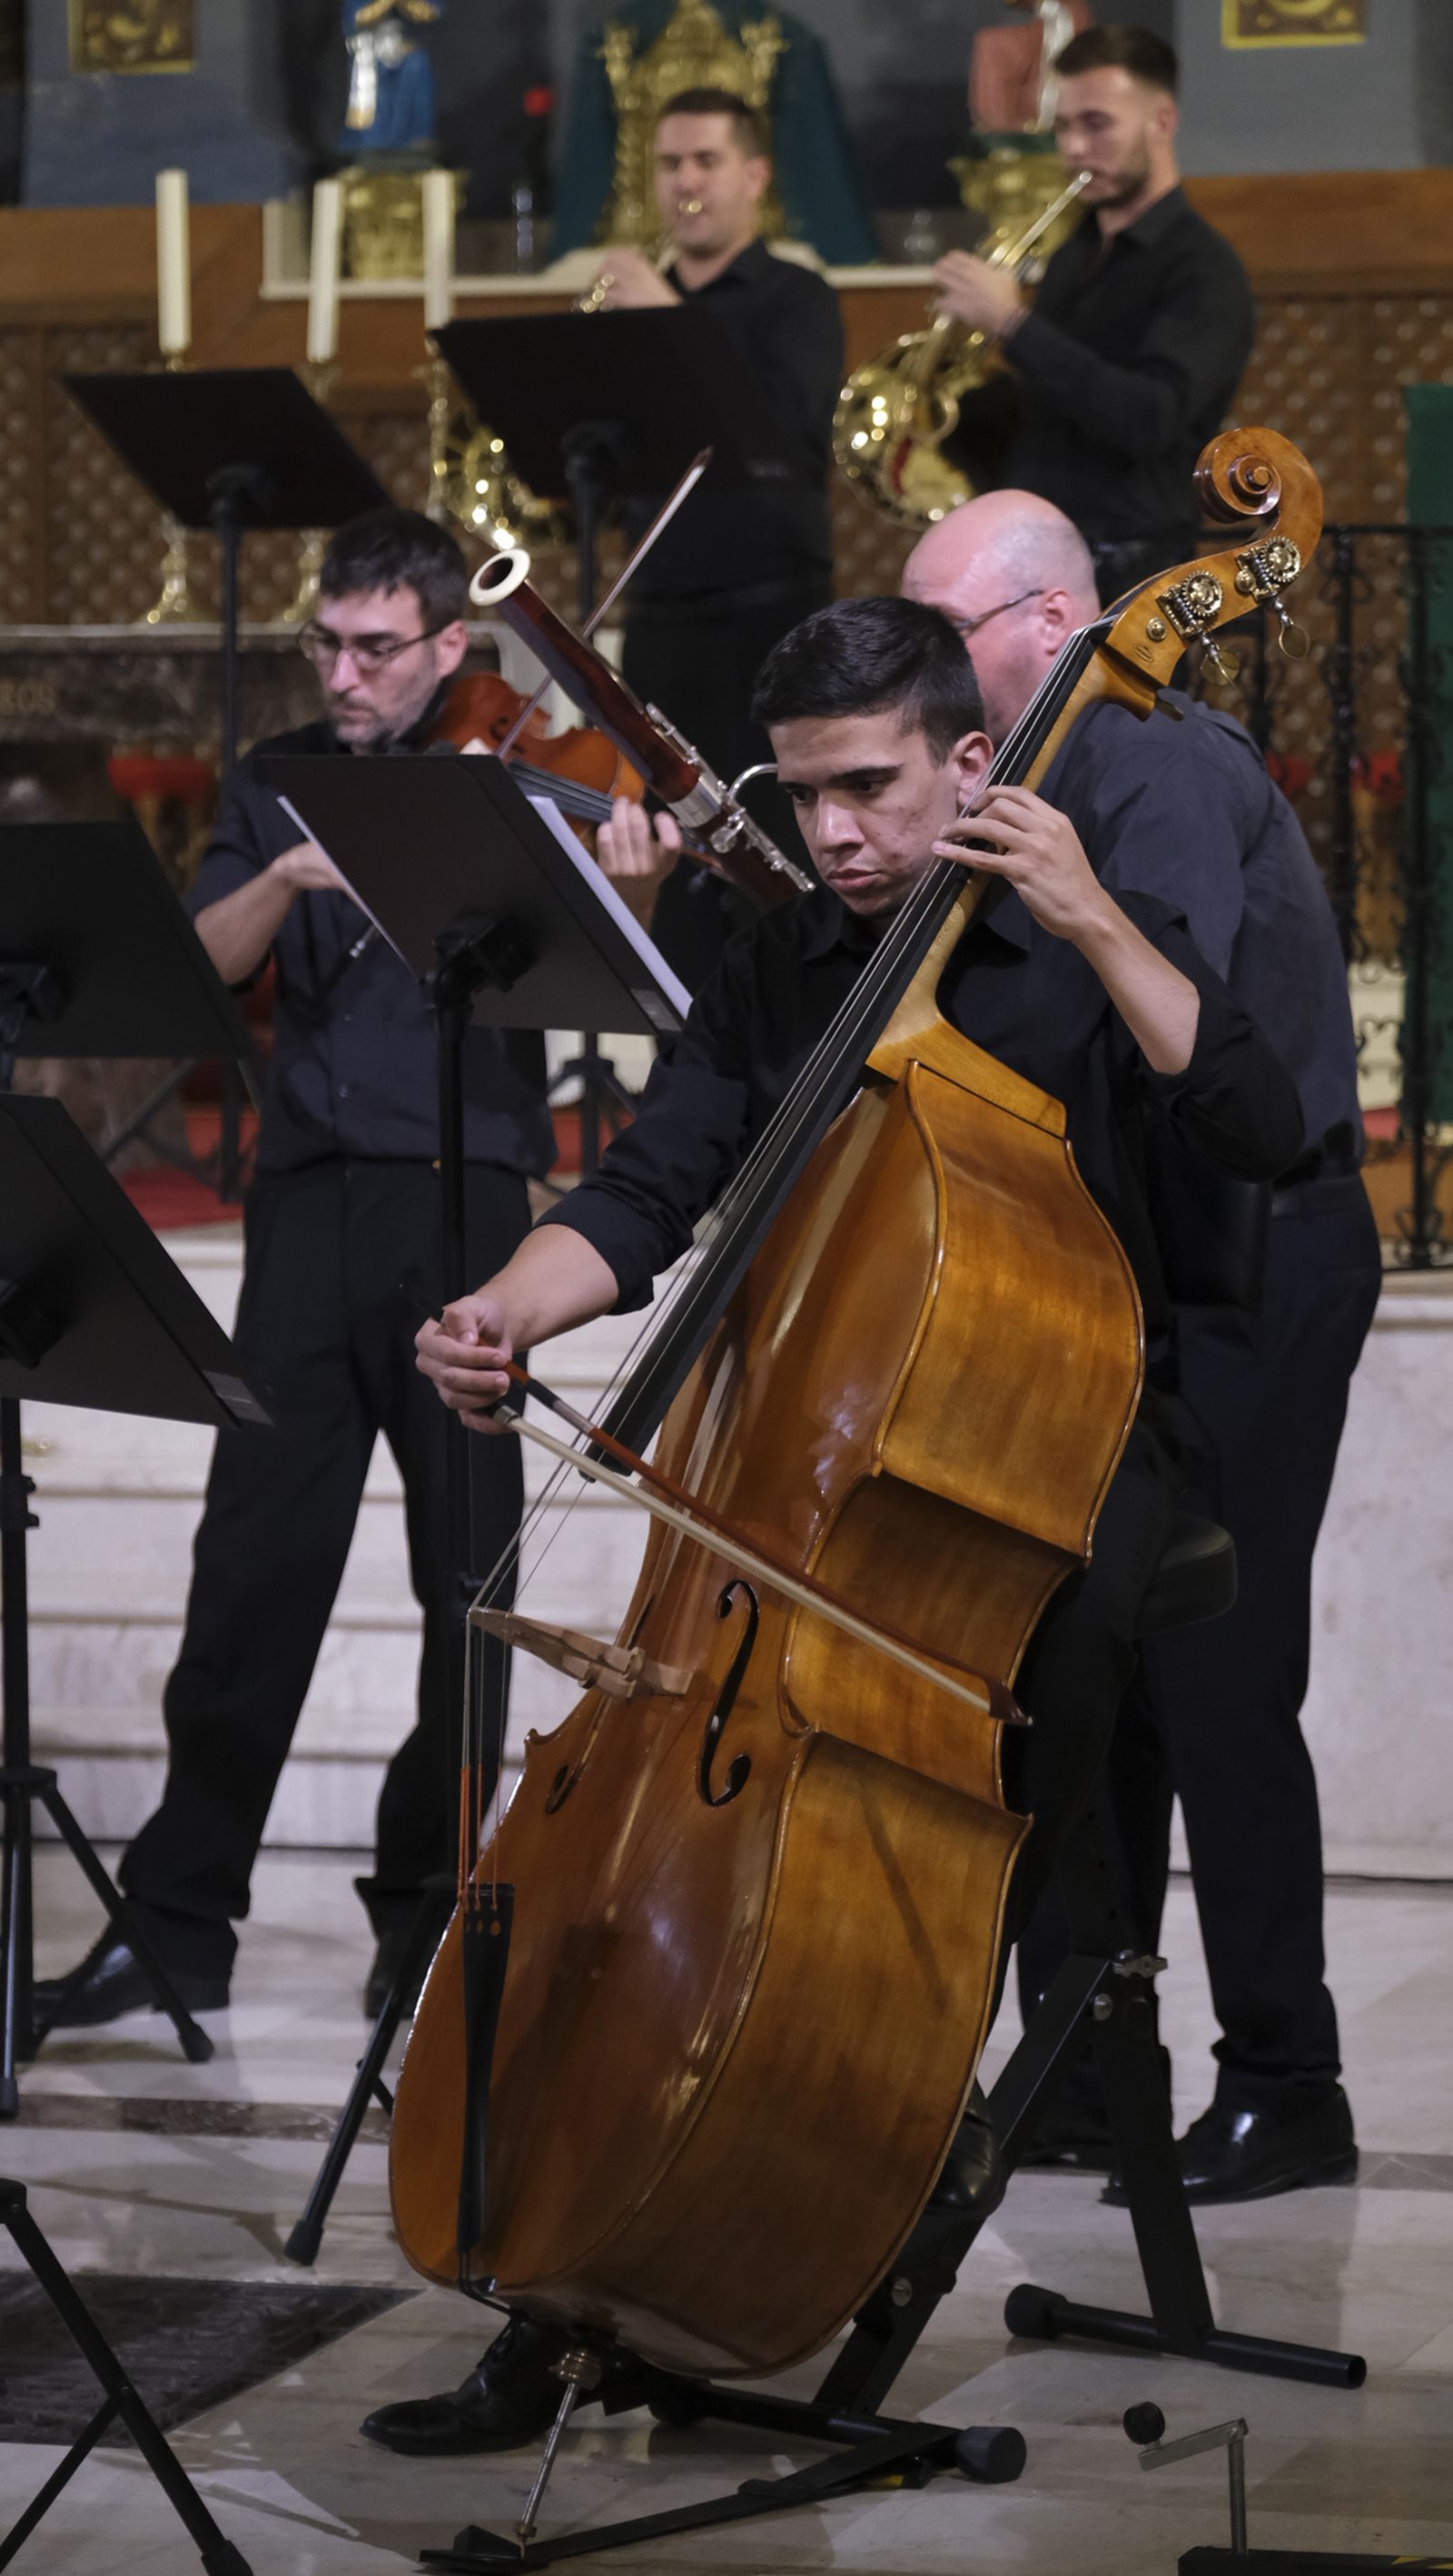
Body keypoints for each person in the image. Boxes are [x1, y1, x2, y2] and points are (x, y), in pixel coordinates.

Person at [358, 593, 1301, 2456]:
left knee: (969, 1790)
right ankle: (561, 2292)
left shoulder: (1070, 914)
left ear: (969, 755)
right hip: (830, 1462)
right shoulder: (786, 947)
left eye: (870, 787)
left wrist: (1092, 912)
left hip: (1077, 1440)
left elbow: (1266, 1124)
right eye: (804, 801)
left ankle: (858, 2138)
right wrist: (509, 1309)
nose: (838, 837)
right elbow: (657, 1174)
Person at [903, 489, 1382, 2200]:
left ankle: (1290, 2078)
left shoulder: (1155, 766)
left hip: (1253, 1258)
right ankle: (1091, 2074)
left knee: (1223, 1674)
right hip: (1116, 1265)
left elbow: (1183, 1022)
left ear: (1046, 623)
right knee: (1082, 1668)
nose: (917, 669)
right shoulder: (1026, 775)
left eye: (941, 632)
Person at [36, 509, 555, 2028]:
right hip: (310, 1207)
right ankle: (177, 1921)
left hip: (466, 1202)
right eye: (325, 643)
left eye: (376, 647)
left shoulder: (505, 762)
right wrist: (302, 870)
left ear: (449, 647)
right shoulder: (275, 780)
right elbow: (204, 959)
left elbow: (611, 938)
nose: (343, 671)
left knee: (468, 1577)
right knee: (252, 1569)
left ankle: (423, 1906)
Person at [579, 84, 844, 990]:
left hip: (768, 624)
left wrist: (668, 323)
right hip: (659, 620)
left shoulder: (797, 298)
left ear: (755, 175)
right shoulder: (622, 310)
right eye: (668, 164)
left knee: (766, 852)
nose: (685, 181)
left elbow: (781, 434)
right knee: (665, 850)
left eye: (705, 161)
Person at [933, 24, 1253, 602]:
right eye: (1063, 127)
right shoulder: (1071, 255)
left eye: (1097, 124)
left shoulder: (1203, 268)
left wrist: (1013, 324)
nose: (1074, 149)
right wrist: (944, 402)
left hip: (1132, 569)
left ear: (1162, 122)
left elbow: (1148, 419)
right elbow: (1054, 416)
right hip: (1039, 553)